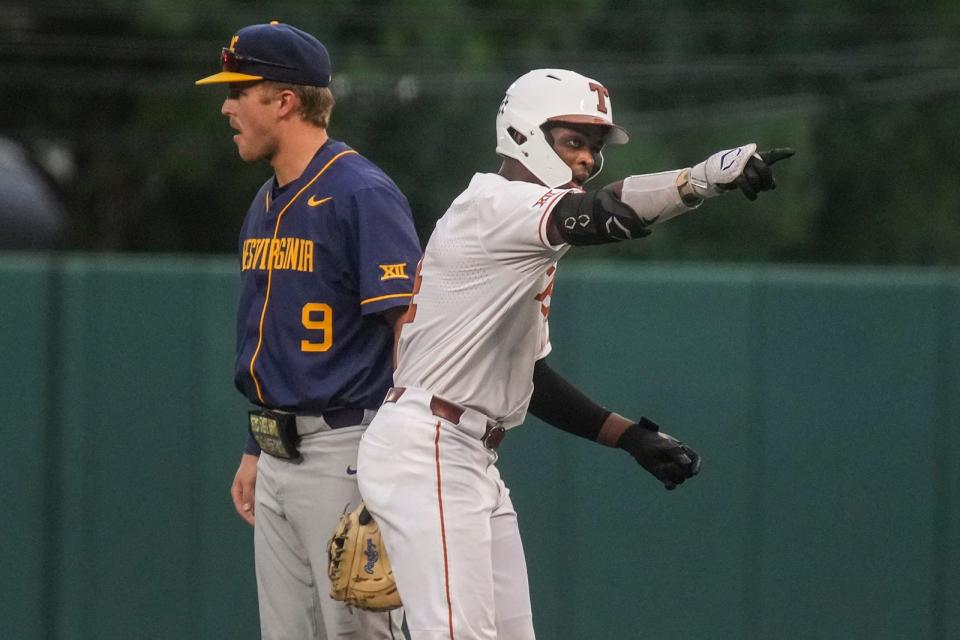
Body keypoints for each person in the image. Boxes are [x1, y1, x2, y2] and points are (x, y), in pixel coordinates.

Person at [356, 68, 793, 639]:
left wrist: (627, 436)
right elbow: (611, 213)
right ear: (521, 134)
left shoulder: (520, 237)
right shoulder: (499, 204)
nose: (587, 159)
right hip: (430, 445)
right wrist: (701, 179)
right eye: (573, 141)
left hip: (464, 452)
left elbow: (528, 378)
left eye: (592, 147)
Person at [195, 22, 421, 640]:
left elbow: (412, 331)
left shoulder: (361, 193)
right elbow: (278, 341)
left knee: (357, 631)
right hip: (276, 453)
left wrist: (395, 464)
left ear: (285, 100)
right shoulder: (266, 200)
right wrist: (254, 445)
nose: (227, 105)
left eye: (240, 91)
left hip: (345, 449)